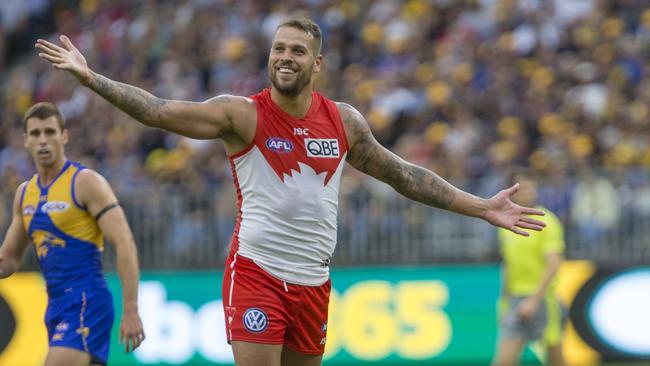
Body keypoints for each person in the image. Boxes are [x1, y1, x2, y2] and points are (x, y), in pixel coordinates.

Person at [36, 18, 546, 366]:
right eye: (278, 48)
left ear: (316, 64)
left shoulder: (344, 121)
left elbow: (405, 175)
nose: (284, 57)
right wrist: (90, 77)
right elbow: (158, 109)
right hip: (257, 272)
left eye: (297, 51)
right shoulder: (243, 114)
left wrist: (480, 207)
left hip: (313, 284)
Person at [0, 102, 145, 366]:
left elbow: (125, 244)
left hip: (86, 301)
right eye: (35, 134)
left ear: (64, 136)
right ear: (25, 140)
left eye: (49, 132)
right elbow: (8, 261)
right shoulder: (24, 194)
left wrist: (131, 309)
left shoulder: (86, 183)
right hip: (55, 306)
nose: (43, 141)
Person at [492, 169, 566, 366]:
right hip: (517, 299)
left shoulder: (547, 220)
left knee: (556, 358)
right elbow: (508, 265)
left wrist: (534, 300)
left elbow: (553, 264)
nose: (530, 191)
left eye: (532, 186)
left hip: (543, 300)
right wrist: (504, 302)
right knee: (504, 361)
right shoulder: (505, 224)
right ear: (512, 192)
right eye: (524, 187)